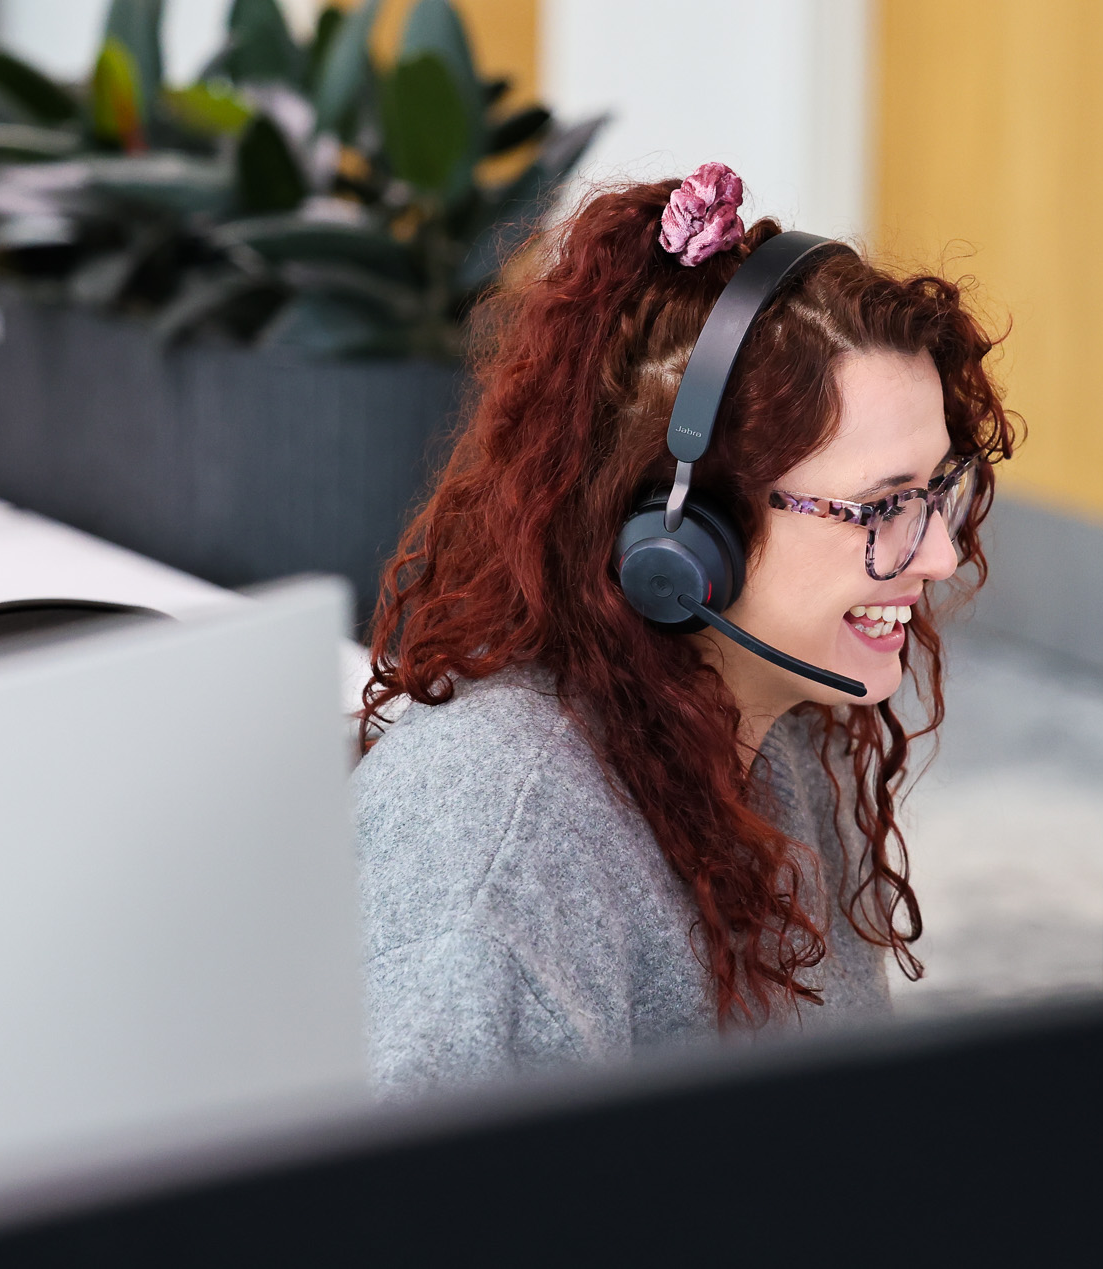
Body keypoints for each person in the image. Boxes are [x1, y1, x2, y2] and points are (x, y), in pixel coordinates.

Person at [353, 163, 1016, 1095]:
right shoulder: (500, 842)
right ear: (683, 538)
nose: (939, 554)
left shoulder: (784, 734)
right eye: (883, 506)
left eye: (939, 488)